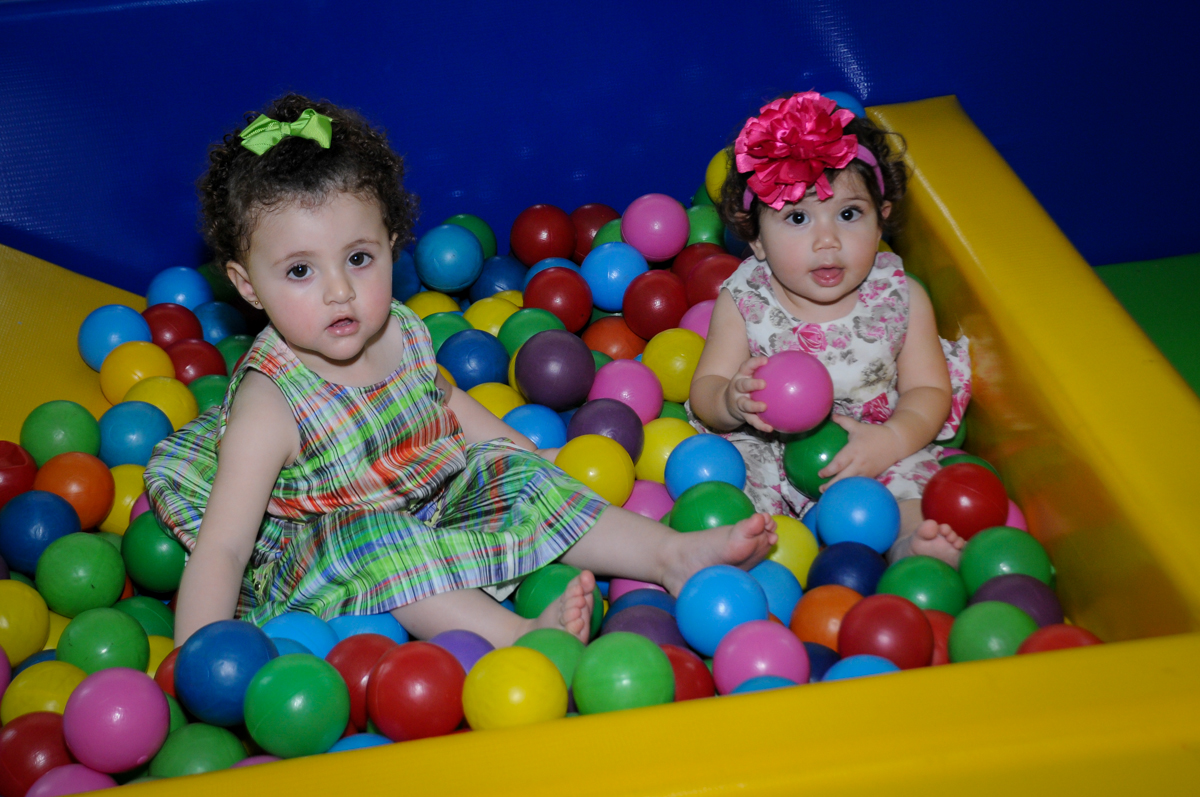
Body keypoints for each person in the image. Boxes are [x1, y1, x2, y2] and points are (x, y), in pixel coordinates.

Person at [144, 94, 777, 649]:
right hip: (326, 548)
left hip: (426, 497)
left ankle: (668, 554)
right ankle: (517, 637)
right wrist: (199, 658)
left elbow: (443, 401)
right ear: (246, 285)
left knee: (520, 473)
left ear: (393, 244)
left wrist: (523, 453)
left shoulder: (395, 328)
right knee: (377, 540)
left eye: (358, 258)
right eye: (300, 271)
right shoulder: (271, 403)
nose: (339, 291)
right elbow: (224, 547)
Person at [688, 91, 971, 566]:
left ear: (881, 221)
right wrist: (731, 400)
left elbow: (927, 389)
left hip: (870, 446)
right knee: (726, 499)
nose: (827, 240)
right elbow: (705, 391)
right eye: (798, 218)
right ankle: (760, 562)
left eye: (848, 214)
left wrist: (893, 441)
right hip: (768, 451)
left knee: (918, 497)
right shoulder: (745, 300)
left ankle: (910, 548)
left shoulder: (899, 297)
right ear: (755, 238)